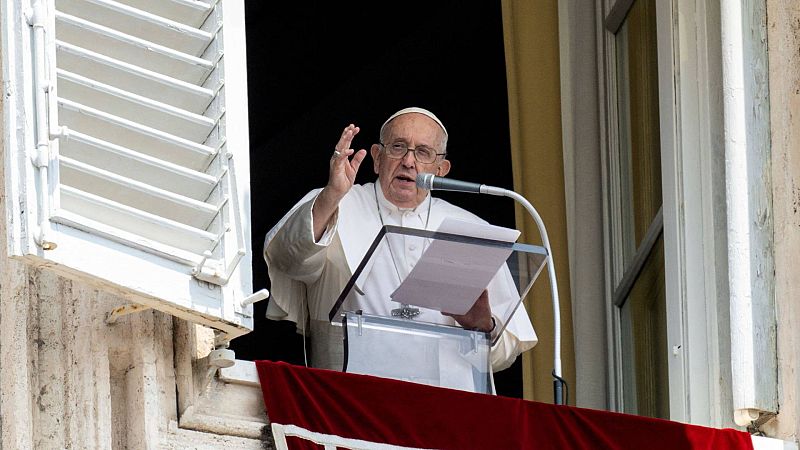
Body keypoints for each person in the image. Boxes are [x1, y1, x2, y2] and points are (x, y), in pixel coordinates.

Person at [263, 107, 537, 376]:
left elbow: (508, 351)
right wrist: (331, 194)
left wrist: (482, 328)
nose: (409, 161)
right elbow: (290, 260)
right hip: (349, 400)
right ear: (377, 157)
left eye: (423, 152)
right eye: (398, 147)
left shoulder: (472, 230)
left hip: (443, 407)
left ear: (441, 168)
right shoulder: (335, 204)